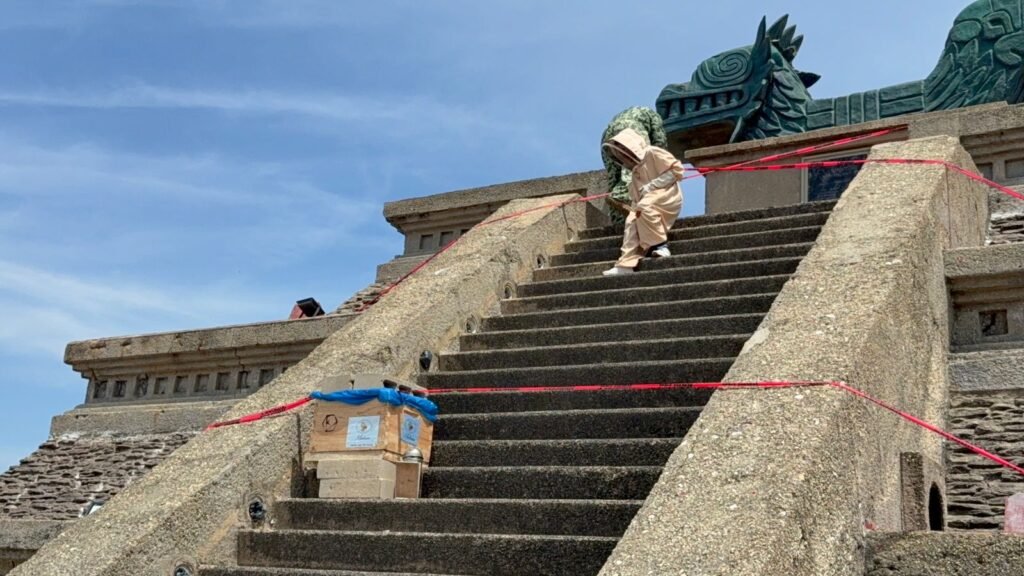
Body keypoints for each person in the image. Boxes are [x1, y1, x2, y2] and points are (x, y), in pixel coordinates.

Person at [601, 128, 684, 277]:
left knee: (645, 206)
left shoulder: (652, 152)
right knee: (632, 220)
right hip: (647, 200)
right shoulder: (635, 172)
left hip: (666, 194)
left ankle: (660, 246)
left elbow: (677, 170)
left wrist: (652, 185)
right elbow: (636, 199)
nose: (623, 157)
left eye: (623, 151)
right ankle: (626, 264)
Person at [601, 107, 668, 225]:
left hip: (607, 136)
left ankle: (618, 219)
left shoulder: (636, 112)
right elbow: (660, 143)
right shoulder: (655, 117)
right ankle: (624, 197)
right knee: (637, 166)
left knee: (615, 177)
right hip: (631, 129)